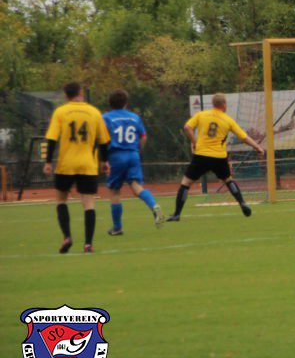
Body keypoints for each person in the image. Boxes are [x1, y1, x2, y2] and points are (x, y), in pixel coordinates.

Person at [167, 93, 265, 221]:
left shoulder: (201, 115)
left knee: (186, 183)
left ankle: (177, 214)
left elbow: (187, 127)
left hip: (201, 155)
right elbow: (244, 137)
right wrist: (257, 147)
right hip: (219, 157)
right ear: (224, 105)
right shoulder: (228, 120)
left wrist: (195, 142)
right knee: (228, 180)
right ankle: (242, 202)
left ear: (213, 104)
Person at [43, 82, 111, 254]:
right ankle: (88, 244)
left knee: (61, 200)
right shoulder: (94, 112)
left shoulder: (60, 112)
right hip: (87, 164)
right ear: (81, 93)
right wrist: (104, 161)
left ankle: (67, 236)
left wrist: (48, 162)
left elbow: (52, 138)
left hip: (66, 164)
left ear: (66, 95)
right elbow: (104, 141)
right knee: (89, 204)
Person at [103, 89, 164, 234]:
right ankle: (154, 205)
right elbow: (143, 136)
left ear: (110, 103)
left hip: (116, 155)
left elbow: (102, 139)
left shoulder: (105, 118)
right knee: (136, 186)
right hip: (133, 154)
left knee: (115, 191)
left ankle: (117, 227)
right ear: (126, 103)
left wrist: (103, 159)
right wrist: (137, 151)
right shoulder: (135, 117)